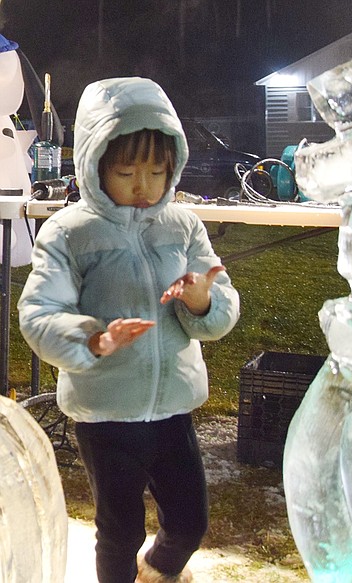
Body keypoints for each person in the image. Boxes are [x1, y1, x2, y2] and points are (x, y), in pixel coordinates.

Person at [18, 77, 240, 583]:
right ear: (96, 166)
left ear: (173, 166)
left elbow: (221, 305)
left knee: (189, 520)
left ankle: (158, 571)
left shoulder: (182, 226)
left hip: (173, 406)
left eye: (157, 171)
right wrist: (94, 339)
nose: (144, 185)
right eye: (126, 171)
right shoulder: (70, 233)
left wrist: (202, 301)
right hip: (105, 413)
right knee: (119, 532)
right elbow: (38, 312)